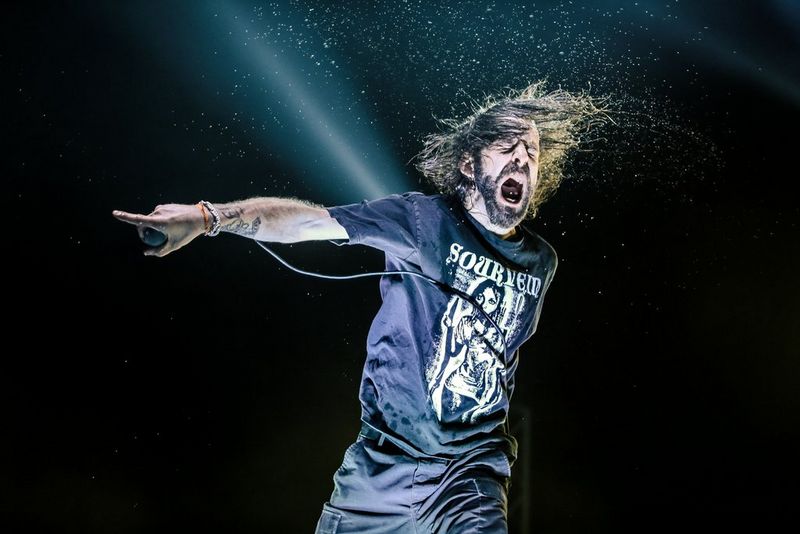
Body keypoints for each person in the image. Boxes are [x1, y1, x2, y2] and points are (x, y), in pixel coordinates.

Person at [113, 82, 600, 533]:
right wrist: (208, 217)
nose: (521, 159)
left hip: (469, 476)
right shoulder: (422, 220)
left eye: (531, 151)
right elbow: (309, 223)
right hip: (380, 469)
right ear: (470, 166)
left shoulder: (540, 263)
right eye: (506, 146)